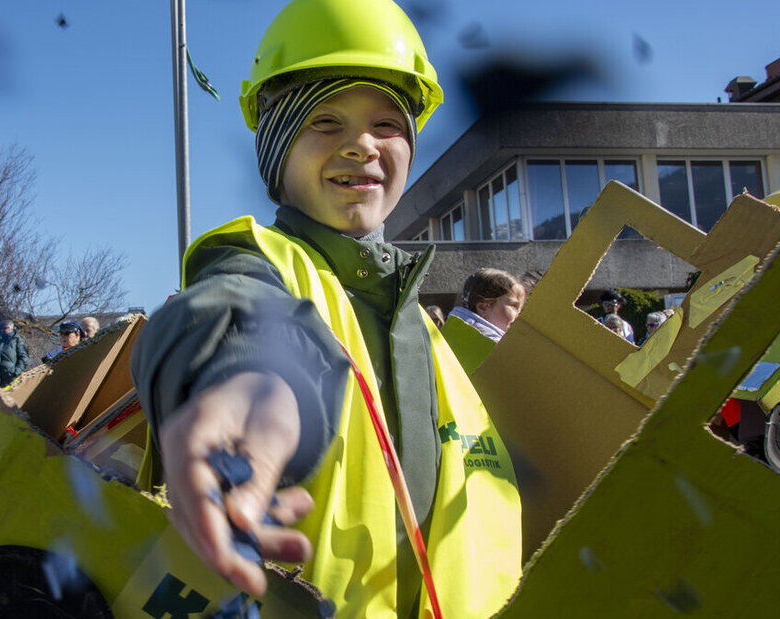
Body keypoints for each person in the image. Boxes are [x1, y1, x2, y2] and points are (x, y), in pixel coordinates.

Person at [130, 1, 521, 616]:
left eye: (387, 125)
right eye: (325, 122)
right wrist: (242, 386)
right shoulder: (259, 262)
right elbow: (231, 313)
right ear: (277, 151)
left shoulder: (420, 325)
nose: (361, 145)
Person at [446, 268, 527, 342]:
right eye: (513, 306)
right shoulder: (494, 347)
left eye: (521, 309)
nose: (520, 314)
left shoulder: (448, 334)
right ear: (483, 308)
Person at [0, 319, 29, 388]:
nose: (2, 330)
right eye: (0, 328)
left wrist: (16, 372)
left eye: (4, 328)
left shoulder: (17, 341)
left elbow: (24, 359)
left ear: (11, 328)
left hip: (11, 379)